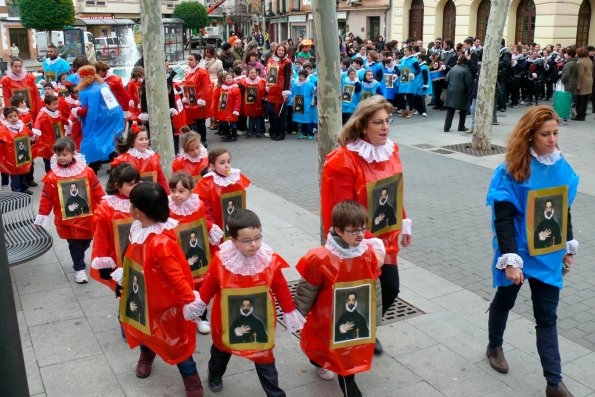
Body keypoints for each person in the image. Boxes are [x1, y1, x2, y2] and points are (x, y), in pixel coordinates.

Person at [485, 106, 579, 397]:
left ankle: (554, 382)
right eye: (545, 134)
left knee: (547, 316)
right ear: (530, 136)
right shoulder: (511, 170)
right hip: (517, 252)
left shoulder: (560, 166)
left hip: (548, 254)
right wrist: (511, 261)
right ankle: (494, 345)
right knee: (505, 299)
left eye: (555, 133)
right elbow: (502, 218)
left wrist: (568, 246)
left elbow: (564, 209)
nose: (552, 139)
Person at [321, 96, 412, 356]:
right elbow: (342, 210)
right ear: (362, 126)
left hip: (386, 239)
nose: (385, 127)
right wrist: (367, 240)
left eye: (387, 121)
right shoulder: (342, 161)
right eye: (378, 122)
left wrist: (403, 219)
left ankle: (368, 326)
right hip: (356, 241)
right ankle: (336, 338)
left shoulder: (390, 151)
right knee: (353, 294)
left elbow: (394, 190)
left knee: (390, 288)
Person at [192, 209, 304, 395]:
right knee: (221, 351)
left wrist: (290, 311)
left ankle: (275, 393)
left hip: (260, 317)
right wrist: (198, 305)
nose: (254, 244)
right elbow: (209, 286)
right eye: (247, 240)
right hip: (227, 318)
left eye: (258, 238)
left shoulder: (268, 259)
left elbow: (280, 286)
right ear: (234, 241)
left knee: (264, 357)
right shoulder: (222, 260)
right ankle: (214, 374)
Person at [119, 182, 203, 396]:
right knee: (145, 332)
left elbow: (176, 275)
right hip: (143, 296)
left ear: (137, 211)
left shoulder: (161, 242)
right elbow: (132, 256)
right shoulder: (138, 229)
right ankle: (146, 355)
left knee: (177, 343)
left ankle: (192, 380)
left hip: (165, 303)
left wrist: (189, 301)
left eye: (131, 205)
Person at [295, 200, 383, 395]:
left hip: (353, 317)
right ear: (338, 230)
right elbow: (307, 290)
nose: (361, 234)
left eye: (363, 229)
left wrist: (375, 317)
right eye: (354, 230)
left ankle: (351, 391)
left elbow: (374, 286)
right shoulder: (321, 258)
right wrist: (297, 314)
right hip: (326, 319)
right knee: (320, 349)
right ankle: (317, 361)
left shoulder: (367, 254)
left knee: (346, 360)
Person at [34, 137, 105, 284]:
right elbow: (46, 197)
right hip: (67, 220)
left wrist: (104, 203)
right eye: (58, 155)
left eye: (64, 154)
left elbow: (96, 188)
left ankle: (78, 257)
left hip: (87, 217)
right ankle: (79, 268)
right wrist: (42, 215)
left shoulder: (87, 172)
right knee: (74, 244)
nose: (61, 158)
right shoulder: (52, 177)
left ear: (73, 153)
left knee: (86, 241)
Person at [168, 171, 224, 334]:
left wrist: (210, 228)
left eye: (181, 191)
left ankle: (201, 316)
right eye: (173, 191)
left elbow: (201, 222)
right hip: (177, 251)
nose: (176, 195)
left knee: (200, 284)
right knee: (180, 283)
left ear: (190, 192)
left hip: (196, 251)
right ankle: (182, 316)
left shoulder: (197, 204)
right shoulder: (168, 207)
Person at [90, 162, 140, 291]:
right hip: (117, 258)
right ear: (117, 185)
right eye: (130, 184)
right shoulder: (106, 208)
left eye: (136, 183)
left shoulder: (143, 199)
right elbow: (101, 237)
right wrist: (104, 263)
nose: (135, 187)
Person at [72, 65, 124, 172]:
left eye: (80, 77)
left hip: (102, 119)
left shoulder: (89, 91)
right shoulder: (102, 84)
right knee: (110, 140)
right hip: (115, 115)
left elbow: (92, 111)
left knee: (93, 140)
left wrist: (87, 125)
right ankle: (116, 166)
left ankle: (93, 167)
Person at [194, 148, 251, 240]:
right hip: (218, 226)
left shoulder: (236, 178)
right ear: (212, 166)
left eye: (228, 162)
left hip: (236, 224)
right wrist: (211, 226)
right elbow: (204, 209)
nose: (227, 166)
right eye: (222, 163)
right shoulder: (206, 184)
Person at [111, 124, 170, 193]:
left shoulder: (153, 157)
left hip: (150, 195)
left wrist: (167, 195)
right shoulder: (124, 159)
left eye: (146, 139)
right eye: (141, 139)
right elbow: (118, 182)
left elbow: (160, 178)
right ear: (133, 141)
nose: (145, 142)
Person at [0, 107, 35, 194]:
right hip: (12, 156)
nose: (13, 118)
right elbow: (2, 137)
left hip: (24, 154)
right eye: (10, 117)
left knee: (23, 172)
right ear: (6, 118)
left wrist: (33, 134)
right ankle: (16, 191)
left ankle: (24, 188)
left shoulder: (21, 125)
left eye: (15, 116)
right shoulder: (5, 128)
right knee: (15, 175)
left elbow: (29, 132)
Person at [33, 94, 69, 172]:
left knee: (60, 158)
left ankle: (60, 176)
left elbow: (61, 118)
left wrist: (67, 122)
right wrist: (36, 130)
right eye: (54, 104)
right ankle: (50, 178)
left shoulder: (57, 112)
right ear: (47, 105)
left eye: (57, 103)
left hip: (58, 139)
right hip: (47, 141)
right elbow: (37, 122)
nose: (56, 106)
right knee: (49, 161)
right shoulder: (43, 113)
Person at [183, 53, 213, 147]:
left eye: (191, 60)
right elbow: (187, 85)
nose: (189, 62)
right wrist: (186, 97)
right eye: (188, 60)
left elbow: (205, 87)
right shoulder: (189, 71)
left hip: (200, 100)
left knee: (200, 121)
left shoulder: (202, 72)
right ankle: (196, 140)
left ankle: (203, 140)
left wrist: (202, 99)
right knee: (194, 121)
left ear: (197, 61)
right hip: (192, 100)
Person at [265, 44, 292, 141]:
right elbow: (267, 74)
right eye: (279, 50)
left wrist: (286, 91)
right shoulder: (270, 60)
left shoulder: (287, 62)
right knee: (271, 111)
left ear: (285, 52)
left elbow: (288, 77)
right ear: (276, 50)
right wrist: (267, 84)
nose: (280, 51)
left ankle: (281, 132)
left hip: (281, 90)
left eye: (282, 50)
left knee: (281, 112)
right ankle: (274, 130)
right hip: (272, 89)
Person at [2, 58, 42, 122]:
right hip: (16, 113)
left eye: (20, 66)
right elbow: (6, 97)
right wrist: (11, 112)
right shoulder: (6, 80)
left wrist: (39, 108)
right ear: (11, 67)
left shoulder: (29, 77)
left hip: (32, 109)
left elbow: (36, 94)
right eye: (15, 66)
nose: (18, 69)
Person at [443, 55, 473, 132]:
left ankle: (446, 127)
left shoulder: (453, 68)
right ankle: (461, 126)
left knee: (450, 110)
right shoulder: (466, 70)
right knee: (463, 110)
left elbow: (446, 79)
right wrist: (469, 91)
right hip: (462, 92)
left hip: (451, 90)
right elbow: (468, 83)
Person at [288, 69, 316, 140]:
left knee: (308, 119)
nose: (300, 78)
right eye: (300, 76)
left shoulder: (310, 85)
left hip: (307, 104)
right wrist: (290, 101)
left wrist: (313, 102)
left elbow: (313, 94)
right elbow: (292, 93)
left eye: (302, 76)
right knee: (302, 120)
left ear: (305, 77)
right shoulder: (295, 85)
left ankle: (311, 133)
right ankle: (304, 133)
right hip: (299, 103)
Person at [213, 72, 241, 142]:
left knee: (233, 122)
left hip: (232, 109)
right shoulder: (222, 88)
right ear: (224, 79)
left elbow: (238, 100)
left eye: (230, 78)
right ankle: (227, 135)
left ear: (232, 78)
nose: (229, 79)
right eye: (227, 78)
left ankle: (234, 136)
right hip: (223, 109)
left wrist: (236, 109)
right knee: (223, 122)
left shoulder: (235, 88)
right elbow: (217, 96)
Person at [241, 66, 267, 138]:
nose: (253, 74)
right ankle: (250, 131)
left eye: (254, 72)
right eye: (251, 73)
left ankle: (258, 132)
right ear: (248, 74)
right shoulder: (244, 81)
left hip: (258, 102)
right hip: (248, 103)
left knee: (258, 116)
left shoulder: (262, 81)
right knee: (251, 117)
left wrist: (264, 97)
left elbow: (265, 91)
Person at [573, 47, 593, 121]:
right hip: (589, 81)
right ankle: (583, 115)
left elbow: (580, 75)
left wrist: (578, 86)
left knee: (580, 100)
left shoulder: (580, 62)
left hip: (583, 83)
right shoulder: (589, 60)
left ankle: (579, 116)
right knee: (585, 100)